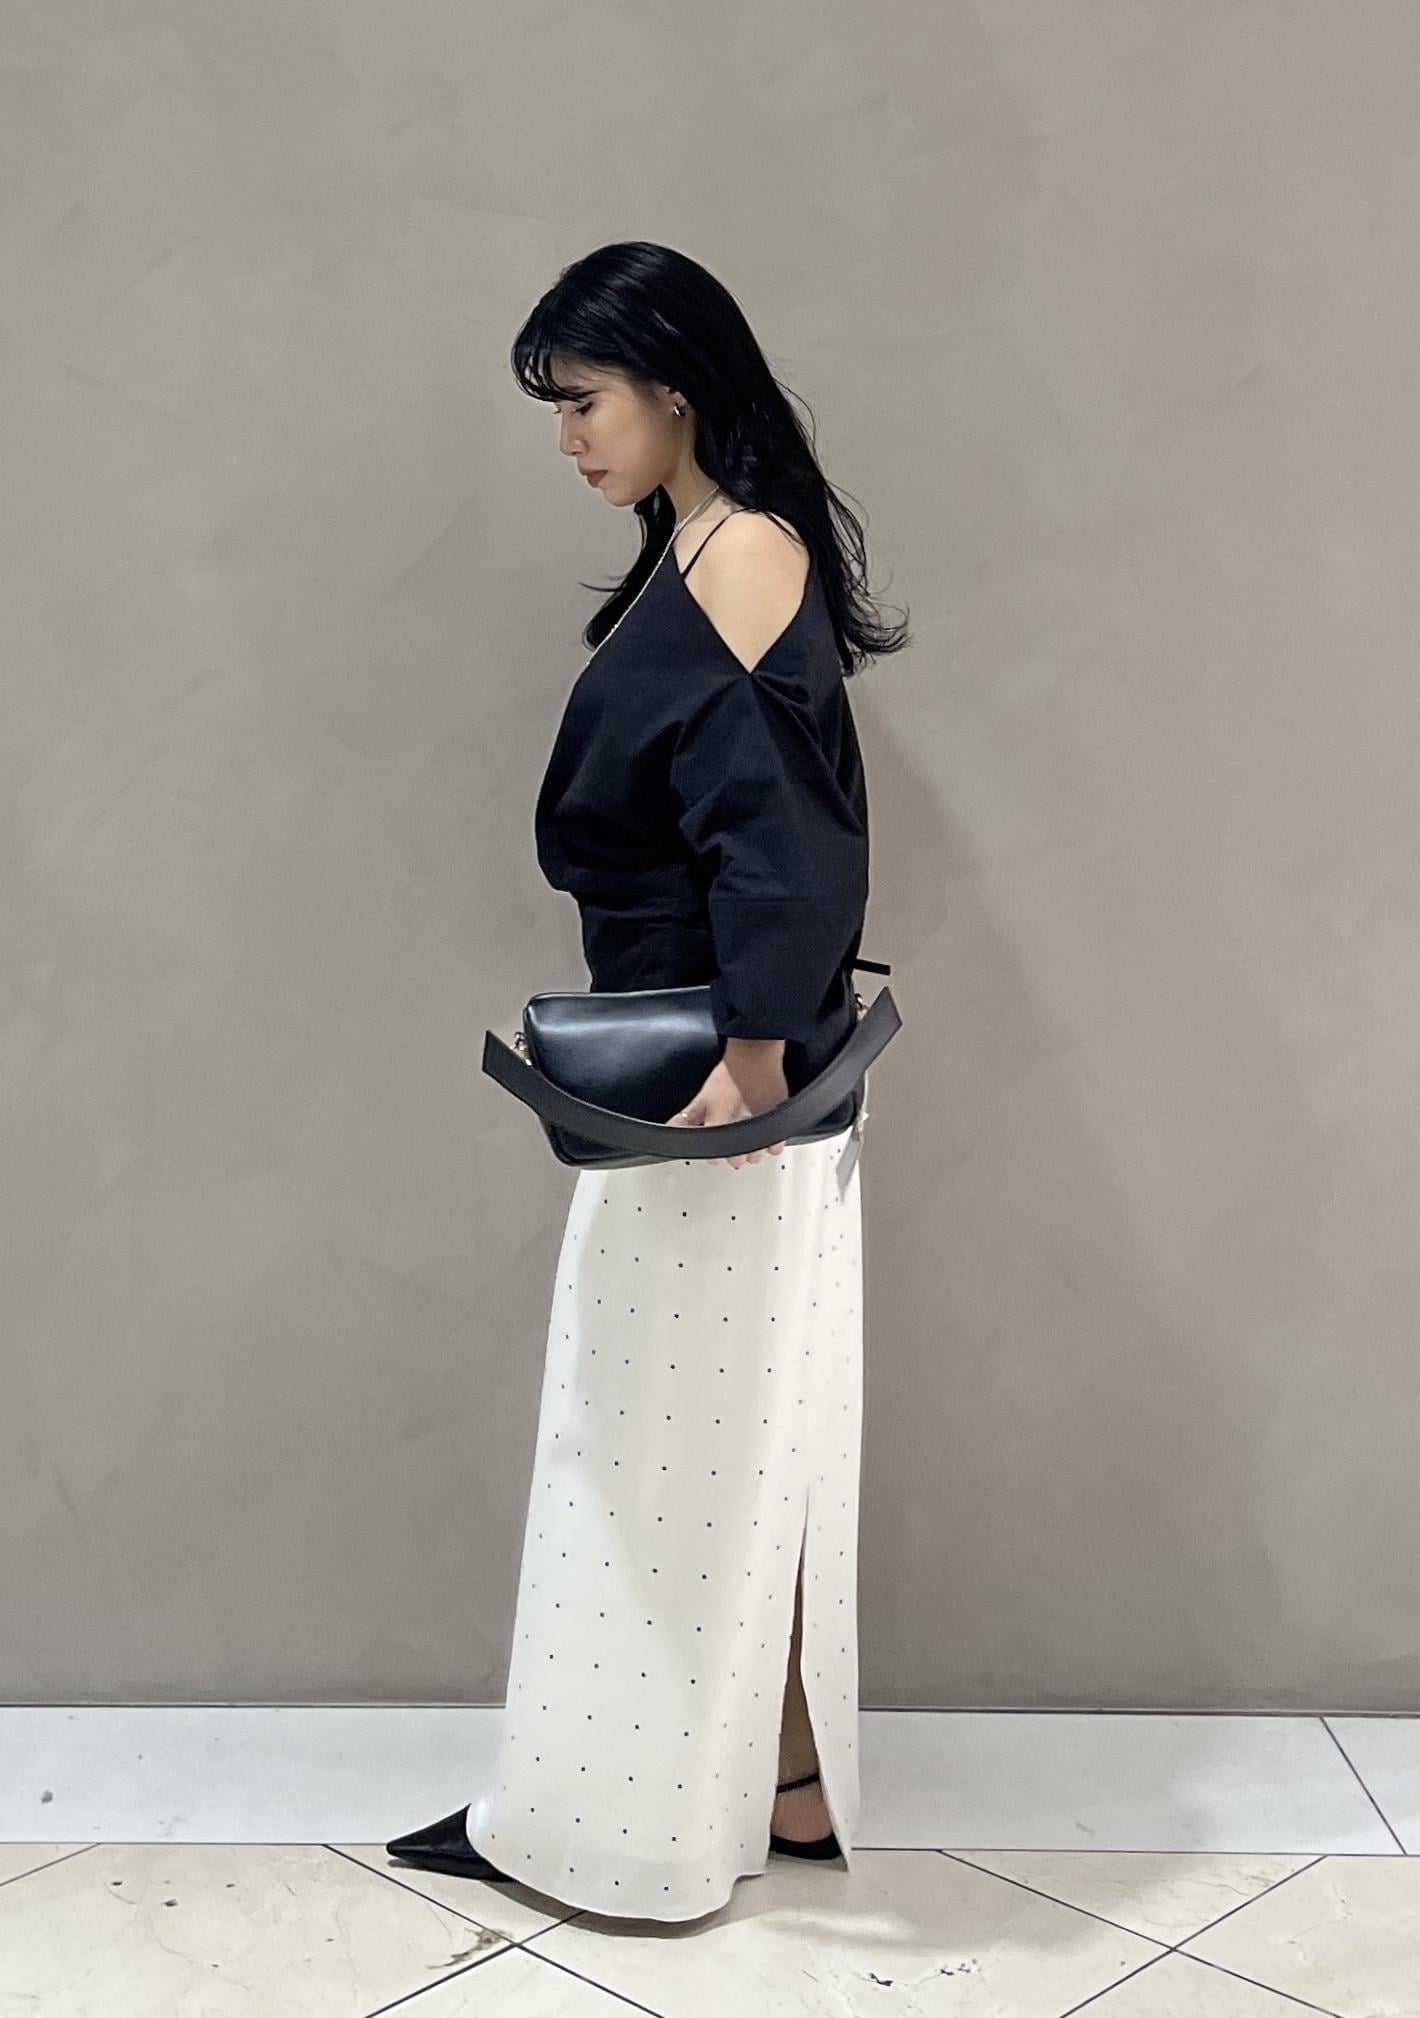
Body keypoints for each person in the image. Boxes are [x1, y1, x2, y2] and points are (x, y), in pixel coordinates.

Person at [387, 240, 908, 1922]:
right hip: (706, 1058)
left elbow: (783, 834)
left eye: (585, 401)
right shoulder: (698, 545)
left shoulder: (739, 549)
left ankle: (618, 1828)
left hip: (714, 1079)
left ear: (675, 389)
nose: (566, 437)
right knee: (715, 1442)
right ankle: (780, 1785)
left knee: (657, 1454)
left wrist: (749, 1059)